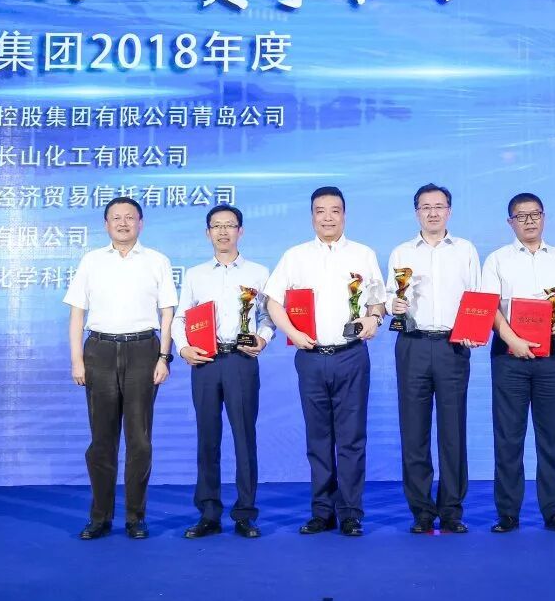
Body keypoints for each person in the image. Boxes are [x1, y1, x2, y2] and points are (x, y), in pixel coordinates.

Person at [263, 186, 385, 537]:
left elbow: (377, 301)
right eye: (320, 211)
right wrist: (293, 333)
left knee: (351, 438)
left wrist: (374, 319)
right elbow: (272, 301)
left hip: (351, 356)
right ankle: (321, 512)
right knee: (318, 438)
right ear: (312, 216)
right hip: (311, 357)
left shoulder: (363, 254)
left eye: (335, 210)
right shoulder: (295, 256)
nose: (328, 217)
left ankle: (350, 513)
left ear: (344, 215)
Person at [65, 196, 177, 540]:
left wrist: (164, 357)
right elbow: (77, 314)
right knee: (101, 440)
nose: (123, 223)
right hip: (98, 351)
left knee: (139, 440)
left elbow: (168, 313)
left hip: (143, 350)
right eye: (116, 218)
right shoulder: (91, 261)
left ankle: (135, 517)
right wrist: (77, 360)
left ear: (140, 223)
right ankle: (99, 517)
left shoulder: (157, 261)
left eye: (130, 217)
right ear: (106, 224)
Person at [385, 183, 482, 534]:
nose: (433, 212)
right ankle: (422, 511)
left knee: (453, 430)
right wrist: (394, 305)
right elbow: (388, 298)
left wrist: (474, 330)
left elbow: (477, 296)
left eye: (439, 206)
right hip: (412, 344)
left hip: (452, 346)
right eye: (425, 207)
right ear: (416, 213)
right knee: (414, 431)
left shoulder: (465, 250)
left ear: (449, 211)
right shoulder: (401, 253)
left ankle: (452, 510)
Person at [173, 205, 273, 539]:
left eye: (230, 225)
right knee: (207, 437)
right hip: (205, 361)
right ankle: (209, 513)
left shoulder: (258, 273)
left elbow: (268, 316)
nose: (223, 231)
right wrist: (183, 348)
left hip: (241, 360)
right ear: (207, 233)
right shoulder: (195, 275)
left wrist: (263, 338)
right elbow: (181, 318)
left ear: (240, 231)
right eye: (216, 226)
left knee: (244, 436)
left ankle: (245, 513)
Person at [481, 193, 555, 534]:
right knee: (508, 437)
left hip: (553, 357)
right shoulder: (497, 260)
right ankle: (508, 512)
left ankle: (554, 511)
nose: (529, 221)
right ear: (511, 222)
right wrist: (513, 340)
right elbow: (490, 307)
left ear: (544, 217)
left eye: (535, 214)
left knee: (552, 436)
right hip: (510, 357)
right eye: (521, 216)